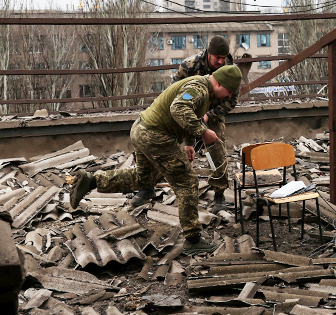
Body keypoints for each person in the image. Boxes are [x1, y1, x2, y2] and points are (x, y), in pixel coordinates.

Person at [69, 65, 243, 255]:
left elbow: (192, 115)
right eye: (228, 91)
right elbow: (178, 109)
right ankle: (193, 240)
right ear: (218, 83)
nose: (228, 96)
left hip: (141, 129)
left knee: (144, 178)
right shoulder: (199, 88)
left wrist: (189, 142)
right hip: (155, 136)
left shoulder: (204, 89)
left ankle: (91, 181)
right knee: (187, 182)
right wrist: (204, 132)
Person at [131, 35, 236, 214]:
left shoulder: (230, 72)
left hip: (212, 115)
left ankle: (219, 192)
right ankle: (147, 186)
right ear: (208, 53)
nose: (220, 61)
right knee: (160, 144)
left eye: (223, 57)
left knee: (217, 151)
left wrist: (208, 116)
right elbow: (175, 92)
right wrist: (188, 136)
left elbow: (230, 101)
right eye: (217, 57)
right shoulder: (189, 66)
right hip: (184, 112)